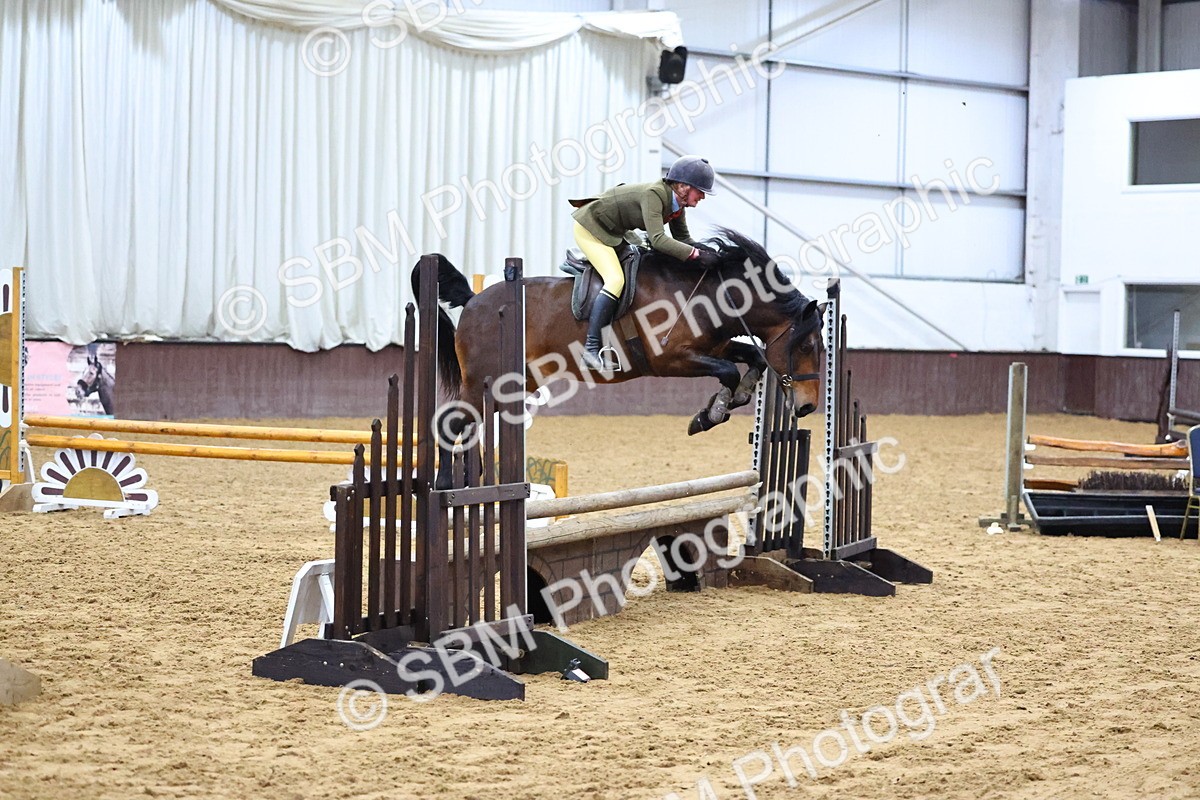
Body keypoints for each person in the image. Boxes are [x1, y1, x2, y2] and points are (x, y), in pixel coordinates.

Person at [570, 155, 721, 370]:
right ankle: (591, 350)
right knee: (615, 280)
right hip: (591, 227)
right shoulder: (655, 195)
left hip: (615, 232)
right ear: (685, 187)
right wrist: (695, 255)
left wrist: (706, 250)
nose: (703, 196)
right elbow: (658, 240)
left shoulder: (677, 205)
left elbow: (683, 240)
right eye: (701, 191)